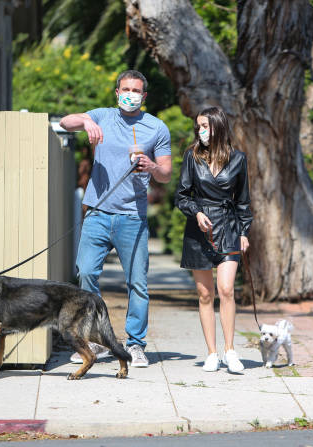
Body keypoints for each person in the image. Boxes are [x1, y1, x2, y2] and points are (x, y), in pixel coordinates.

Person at [59, 70, 172, 367]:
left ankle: (135, 344)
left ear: (144, 96)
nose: (130, 94)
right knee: (85, 273)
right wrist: (85, 121)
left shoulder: (155, 127)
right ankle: (96, 340)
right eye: (125, 89)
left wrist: (150, 167)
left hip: (132, 217)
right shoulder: (102, 116)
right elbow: (64, 122)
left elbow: (167, 173)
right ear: (116, 91)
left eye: (136, 90)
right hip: (97, 212)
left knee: (137, 283)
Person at [175, 106, 253, 373]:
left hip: (229, 227)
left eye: (205, 126)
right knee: (205, 293)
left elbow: (243, 200)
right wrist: (196, 212)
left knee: (226, 288)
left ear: (218, 127)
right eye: (198, 126)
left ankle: (231, 351)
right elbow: (182, 195)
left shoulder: (238, 159)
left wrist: (244, 232)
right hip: (200, 230)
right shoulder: (192, 156)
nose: (201, 131)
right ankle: (211, 353)